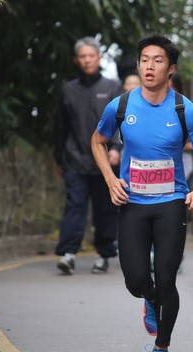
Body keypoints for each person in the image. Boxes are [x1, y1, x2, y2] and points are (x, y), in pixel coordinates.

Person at [91, 33, 193, 352]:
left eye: (158, 60)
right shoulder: (120, 106)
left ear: (171, 68)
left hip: (171, 203)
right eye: (145, 60)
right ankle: (149, 299)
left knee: (166, 277)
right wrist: (111, 180)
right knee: (136, 279)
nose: (149, 66)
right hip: (132, 202)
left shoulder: (185, 110)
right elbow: (97, 141)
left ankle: (161, 348)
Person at [54, 37, 123, 275]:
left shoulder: (113, 87)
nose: (87, 60)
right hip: (75, 159)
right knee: (75, 206)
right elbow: (61, 127)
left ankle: (103, 255)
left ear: (99, 58)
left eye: (90, 56)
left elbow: (120, 123)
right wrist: (60, 158)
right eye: (82, 56)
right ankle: (68, 254)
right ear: (76, 60)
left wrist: (115, 149)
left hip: (105, 161)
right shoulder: (68, 90)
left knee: (105, 209)